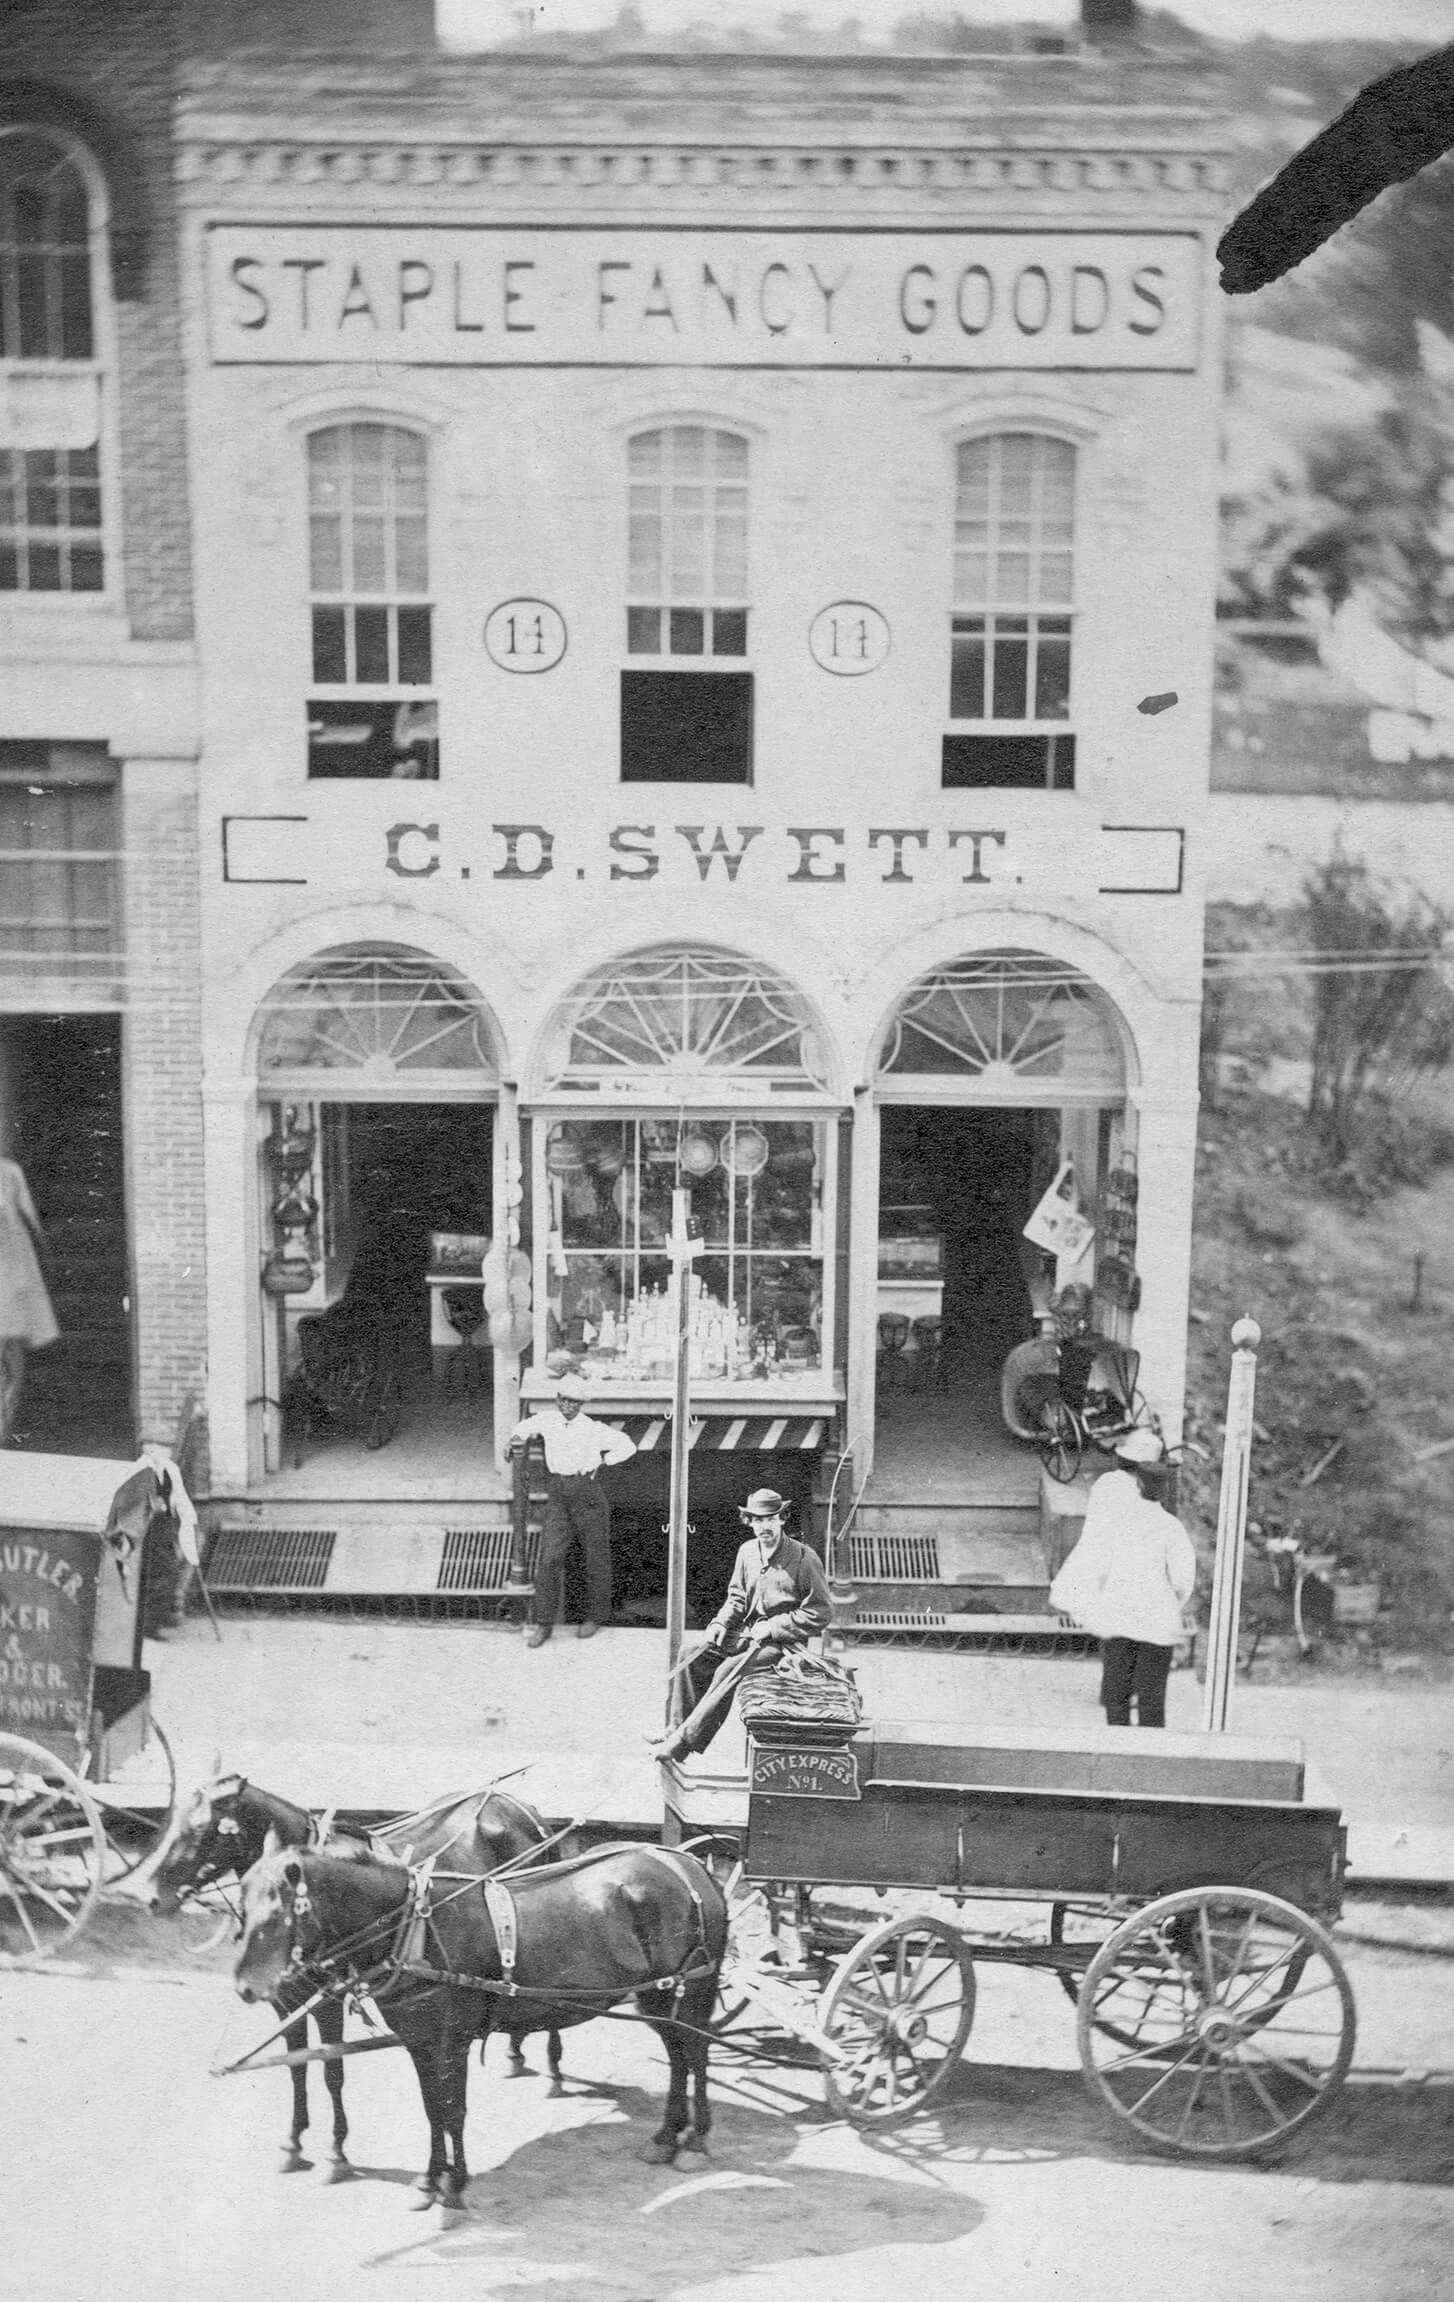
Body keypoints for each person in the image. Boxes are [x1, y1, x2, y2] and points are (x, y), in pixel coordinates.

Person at [645, 1487, 832, 1763]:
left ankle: (682, 1744)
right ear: (750, 1522)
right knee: (690, 1653)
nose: (764, 1526)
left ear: (782, 1519)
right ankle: (674, 1728)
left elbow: (821, 1612)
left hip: (783, 1646)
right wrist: (720, 1623)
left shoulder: (804, 1557)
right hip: (745, 1635)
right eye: (758, 1520)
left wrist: (774, 1627)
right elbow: (736, 1598)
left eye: (770, 1519)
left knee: (728, 1669)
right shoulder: (747, 1552)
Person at [1049, 1428, 1197, 1728]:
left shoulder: (1110, 1492)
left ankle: (1117, 1742)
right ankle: (1150, 1751)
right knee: (1152, 1695)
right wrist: (1172, 1601)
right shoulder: (1170, 1527)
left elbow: (1098, 1544)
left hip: (1117, 1607)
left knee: (1116, 1690)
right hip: (1156, 1617)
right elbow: (1183, 1579)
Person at [507, 1372, 636, 1647]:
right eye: (564, 1400)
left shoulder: (592, 1428)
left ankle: (596, 1616)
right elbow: (524, 1425)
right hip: (558, 1493)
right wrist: (512, 1439)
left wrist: (605, 1461)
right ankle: (544, 1624)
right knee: (550, 1558)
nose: (568, 1406)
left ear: (581, 1405)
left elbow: (627, 1445)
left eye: (574, 1402)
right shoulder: (547, 1420)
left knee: (595, 1556)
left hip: (586, 1492)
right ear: (557, 1400)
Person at [0, 1156, 59, 1447]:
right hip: (11, 1274)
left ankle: (5, 1427)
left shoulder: (11, 1172)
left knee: (13, 1354)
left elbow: (31, 1219)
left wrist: (43, 1251)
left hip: (13, 1276)